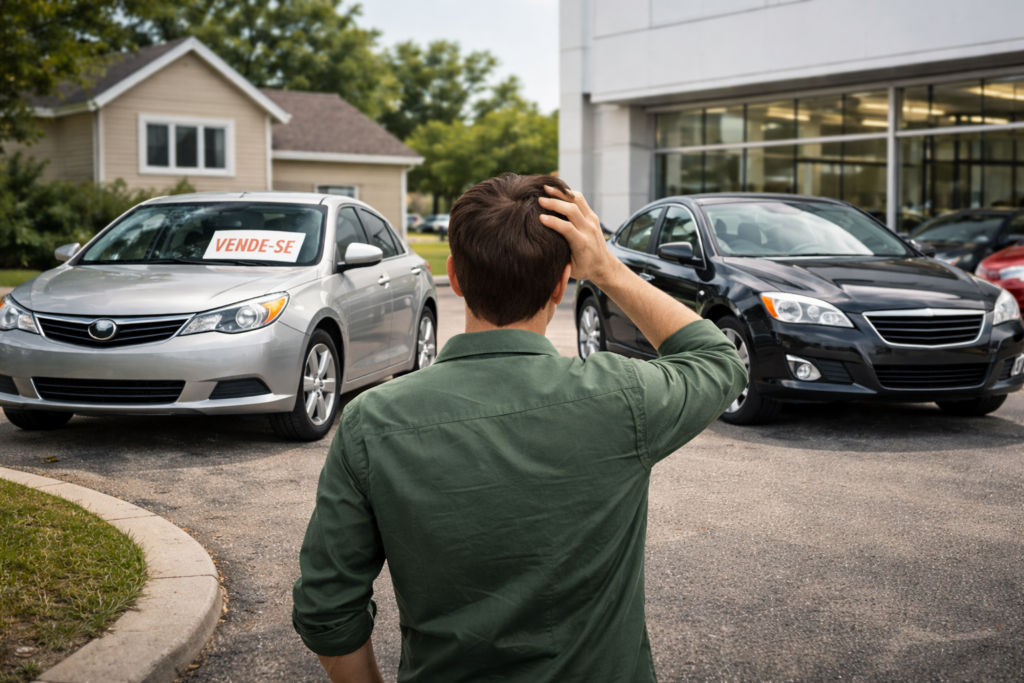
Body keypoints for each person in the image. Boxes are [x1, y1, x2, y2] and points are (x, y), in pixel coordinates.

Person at [292, 174, 747, 682]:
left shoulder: (372, 423)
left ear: (455, 279)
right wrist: (609, 269)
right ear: (561, 286)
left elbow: (327, 610)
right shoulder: (624, 397)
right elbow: (717, 360)